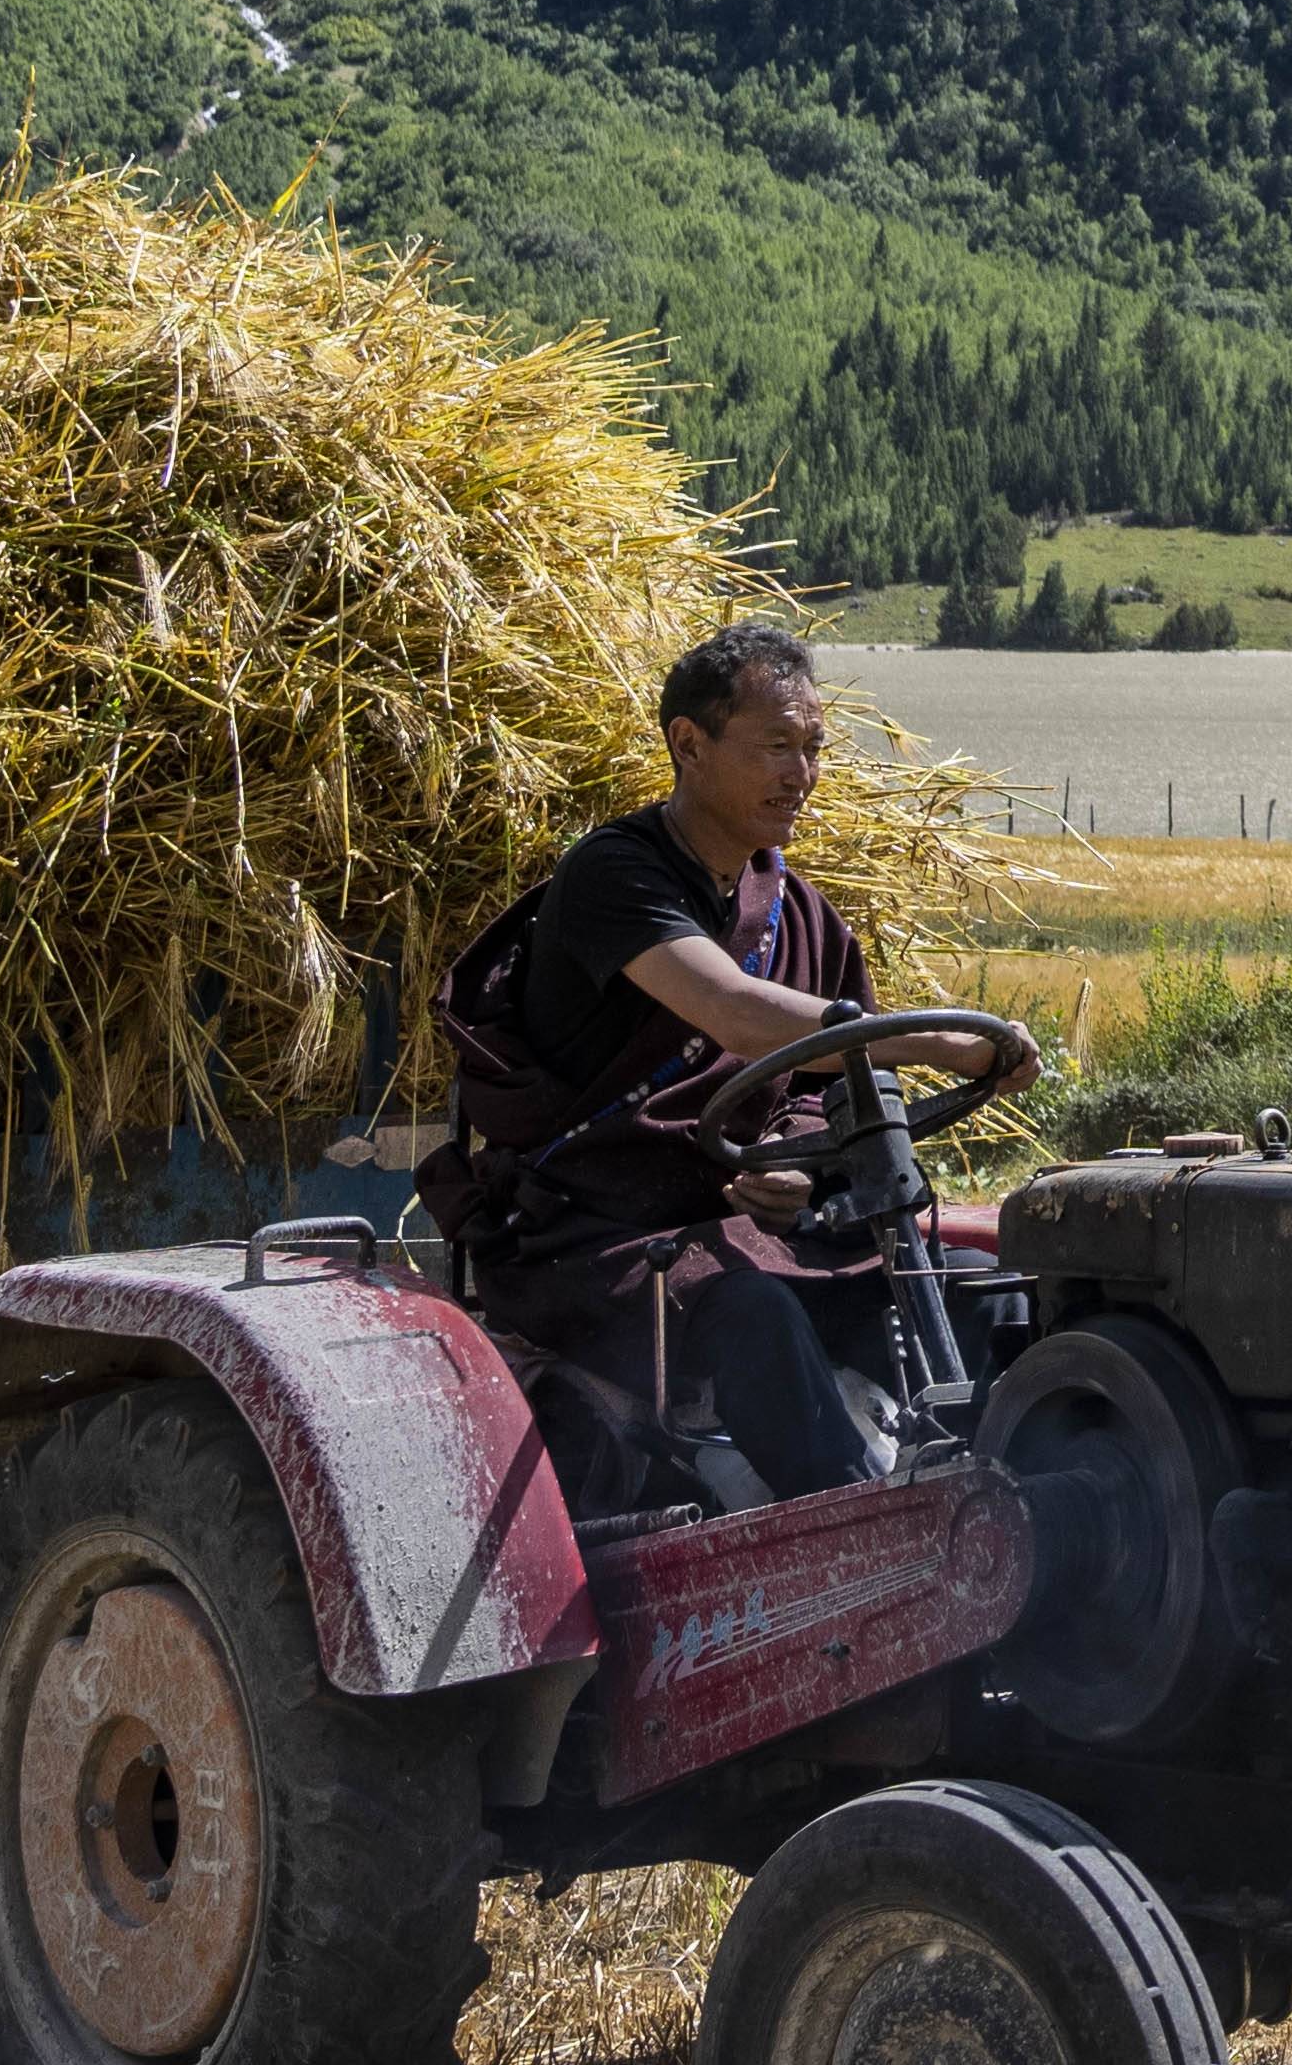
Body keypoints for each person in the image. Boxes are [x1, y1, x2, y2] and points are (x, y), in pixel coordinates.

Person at [436, 621, 1025, 1503]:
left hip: (750, 1230)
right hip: (595, 1240)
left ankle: (1012, 1502)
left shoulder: (799, 912)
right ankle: (860, 1534)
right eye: (776, 746)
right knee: (753, 1313)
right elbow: (734, 1012)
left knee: (987, 1292)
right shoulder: (613, 875)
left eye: (814, 748)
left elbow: (837, 1093)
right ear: (689, 746)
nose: (802, 774)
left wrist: (805, 1168)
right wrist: (946, 1040)